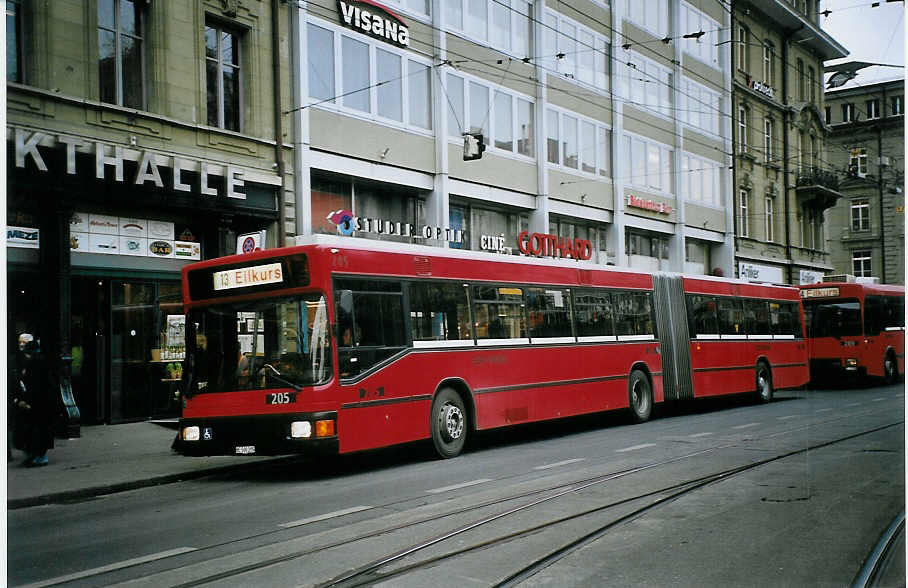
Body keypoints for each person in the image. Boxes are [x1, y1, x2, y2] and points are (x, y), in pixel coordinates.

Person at [10, 334, 55, 467]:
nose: (21, 345)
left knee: (36, 430)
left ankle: (38, 456)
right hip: (38, 403)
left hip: (35, 403)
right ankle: (37, 455)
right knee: (36, 430)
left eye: (24, 342)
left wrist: (27, 401)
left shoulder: (33, 363)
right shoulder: (37, 361)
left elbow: (33, 385)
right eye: (19, 342)